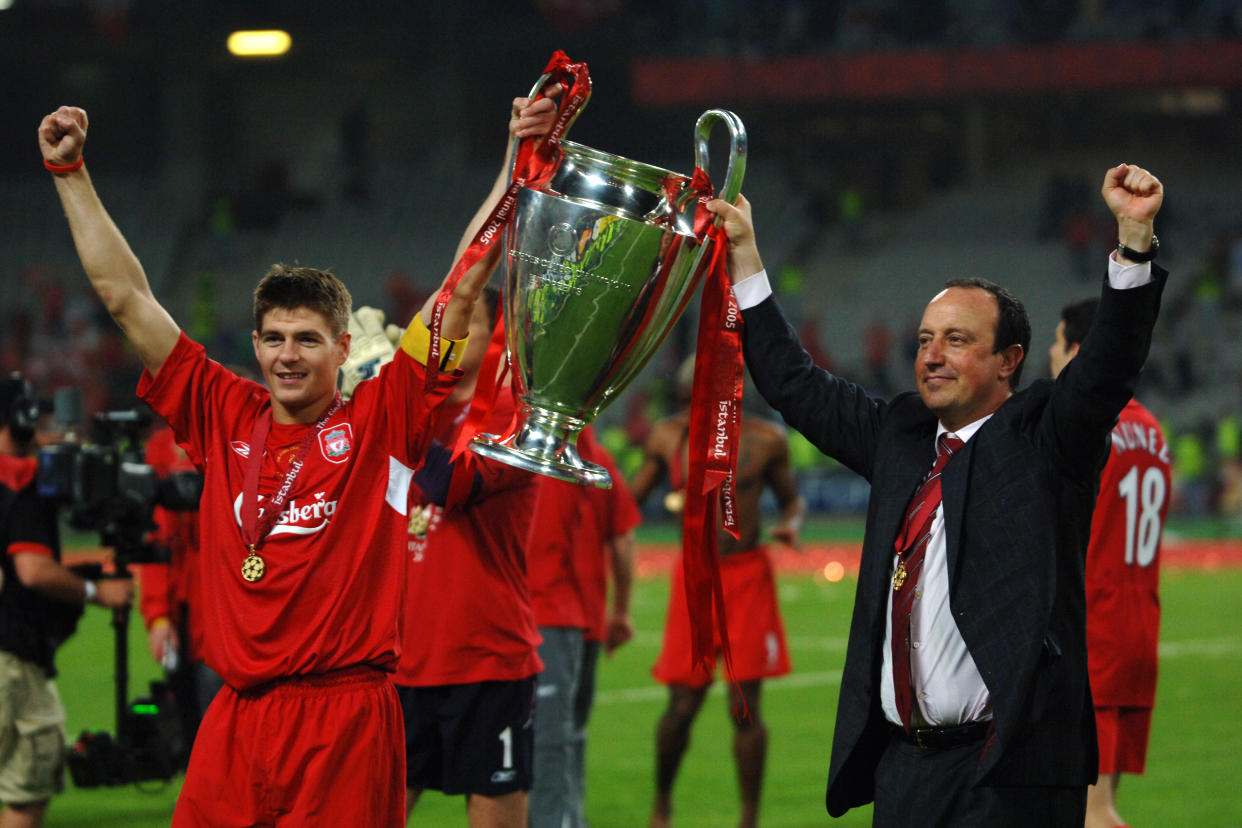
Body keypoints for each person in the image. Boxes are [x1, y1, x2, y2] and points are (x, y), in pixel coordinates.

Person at [37, 92, 553, 825]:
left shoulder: (384, 420)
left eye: (308, 339)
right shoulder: (221, 411)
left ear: (344, 349)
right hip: (238, 715)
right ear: (254, 345)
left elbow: (463, 281)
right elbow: (126, 297)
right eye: (274, 338)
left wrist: (516, 158)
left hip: (344, 719)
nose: (288, 356)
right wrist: (70, 174)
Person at [705, 162, 1167, 825]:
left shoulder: (1046, 437)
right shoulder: (900, 434)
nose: (931, 355)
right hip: (904, 772)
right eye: (925, 340)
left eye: (956, 340)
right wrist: (746, 251)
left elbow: (1110, 361)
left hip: (1010, 774)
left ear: (1009, 360)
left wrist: (1132, 238)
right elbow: (793, 383)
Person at [630, 359, 806, 828]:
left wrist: (791, 523)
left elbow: (792, 499)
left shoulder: (767, 439)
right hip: (695, 578)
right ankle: (662, 804)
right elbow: (630, 501)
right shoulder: (669, 437)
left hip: (747, 576)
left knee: (744, 705)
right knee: (681, 706)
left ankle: (748, 818)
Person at [1049, 298, 1170, 828]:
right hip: (1138, 626)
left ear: (1078, 351)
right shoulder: (1153, 433)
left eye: (1055, 345)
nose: (1050, 357)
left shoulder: (1089, 430)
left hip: (1093, 629)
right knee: (1102, 805)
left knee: (1091, 814)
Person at [1, 372, 133, 828]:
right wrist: (96, 591)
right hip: (10, 662)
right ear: (20, 420)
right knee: (26, 790)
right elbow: (32, 570)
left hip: (16, 659)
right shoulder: (22, 484)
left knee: (25, 789)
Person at [526, 426, 641, 828]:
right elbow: (623, 539)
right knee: (567, 734)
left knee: (546, 739)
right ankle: (568, 819)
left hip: (539, 614)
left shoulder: (520, 447)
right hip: (582, 617)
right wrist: (622, 611)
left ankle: (560, 820)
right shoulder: (596, 456)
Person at [133, 421, 223, 764]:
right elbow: (157, 539)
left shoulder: (245, 442)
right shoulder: (161, 446)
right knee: (191, 721)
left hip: (228, 610)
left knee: (225, 719)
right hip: (186, 613)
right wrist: (158, 616)